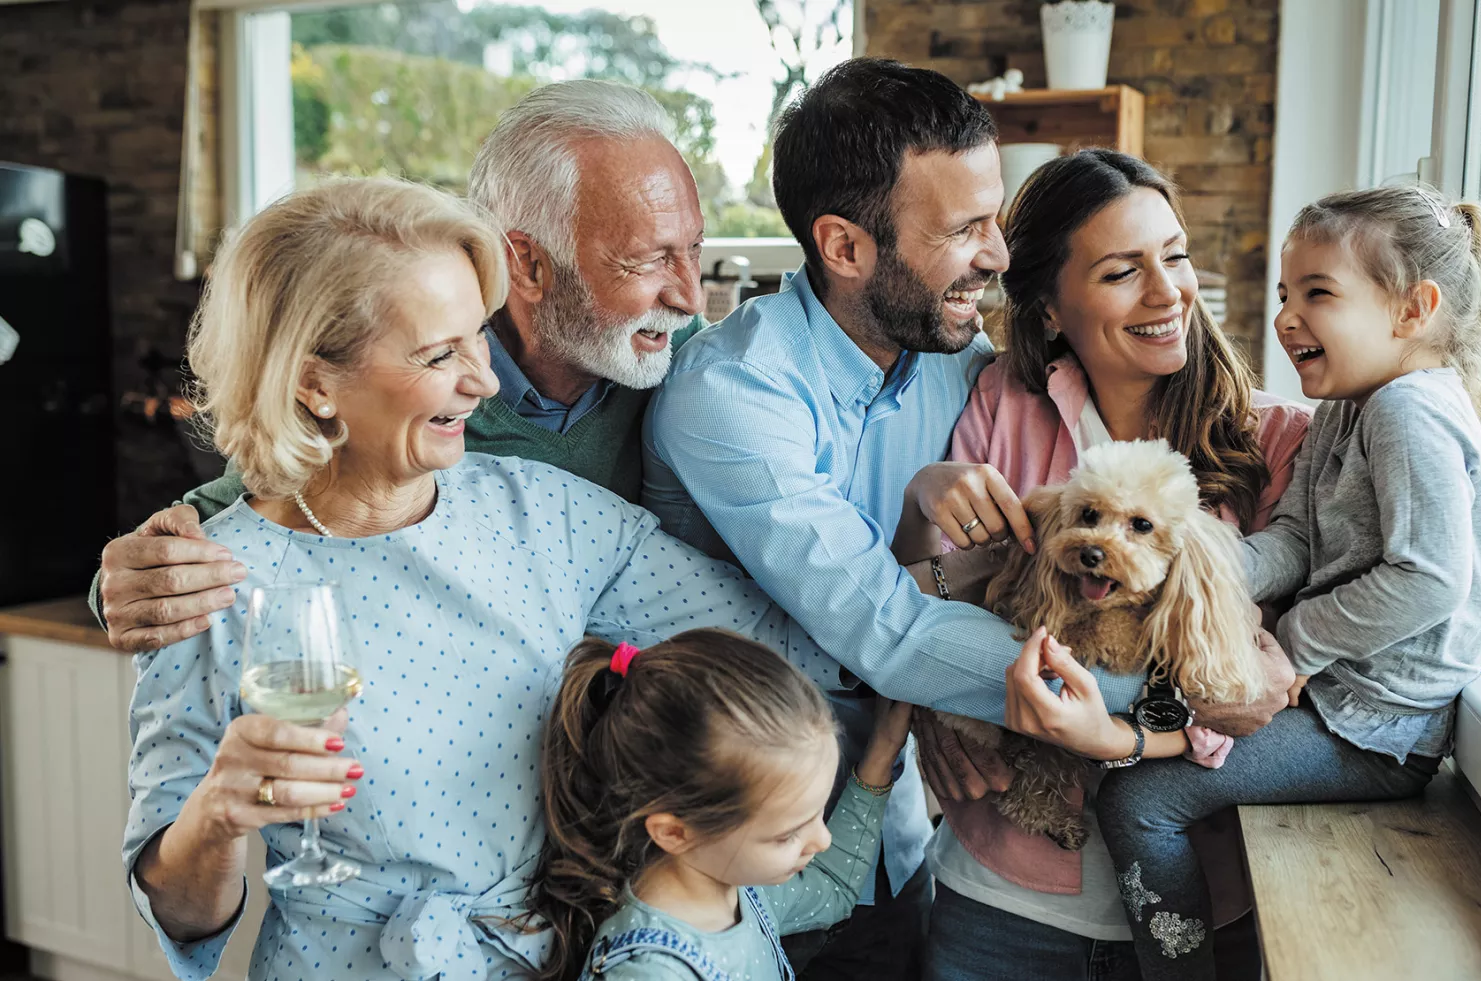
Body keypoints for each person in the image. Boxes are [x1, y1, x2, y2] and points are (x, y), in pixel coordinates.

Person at [641, 59, 1292, 979]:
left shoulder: (963, 366)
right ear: (844, 246)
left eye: (996, 219)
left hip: (893, 829)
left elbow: (967, 585)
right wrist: (1171, 704)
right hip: (730, 854)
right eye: (964, 229)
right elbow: (895, 634)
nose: (997, 256)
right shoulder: (735, 395)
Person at [123, 177, 844, 981]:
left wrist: (949, 570)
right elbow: (179, 911)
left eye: (478, 340)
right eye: (440, 355)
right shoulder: (200, 581)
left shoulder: (544, 514)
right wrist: (217, 815)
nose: (486, 381)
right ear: (314, 382)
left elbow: (796, 637)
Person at [95, 78, 709, 653]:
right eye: (646, 261)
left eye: (695, 250)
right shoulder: (407, 404)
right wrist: (127, 583)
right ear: (526, 264)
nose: (690, 298)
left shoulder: (692, 361)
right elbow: (250, 511)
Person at [889, 149, 1307, 981]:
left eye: (1175, 256)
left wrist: (1118, 736)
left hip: (1207, 896)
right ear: (1048, 306)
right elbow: (923, 606)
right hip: (1002, 899)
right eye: (1122, 271)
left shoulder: (1279, 442)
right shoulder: (999, 408)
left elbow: (1270, 691)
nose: (1167, 293)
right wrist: (915, 518)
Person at [1093, 184, 1481, 981]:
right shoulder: (1352, 405)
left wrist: (1288, 646)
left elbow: (1430, 579)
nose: (1285, 317)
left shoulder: (1408, 412)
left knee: (1138, 800)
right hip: (1349, 702)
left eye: (1318, 293)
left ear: (1413, 308)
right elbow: (1298, 540)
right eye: (1286, 293)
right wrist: (1197, 566)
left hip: (1381, 729)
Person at [531, 629, 913, 980]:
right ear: (675, 833)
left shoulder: (734, 882)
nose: (822, 840)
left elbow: (831, 887)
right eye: (788, 834)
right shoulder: (650, 973)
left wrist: (881, 752)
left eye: (816, 815)